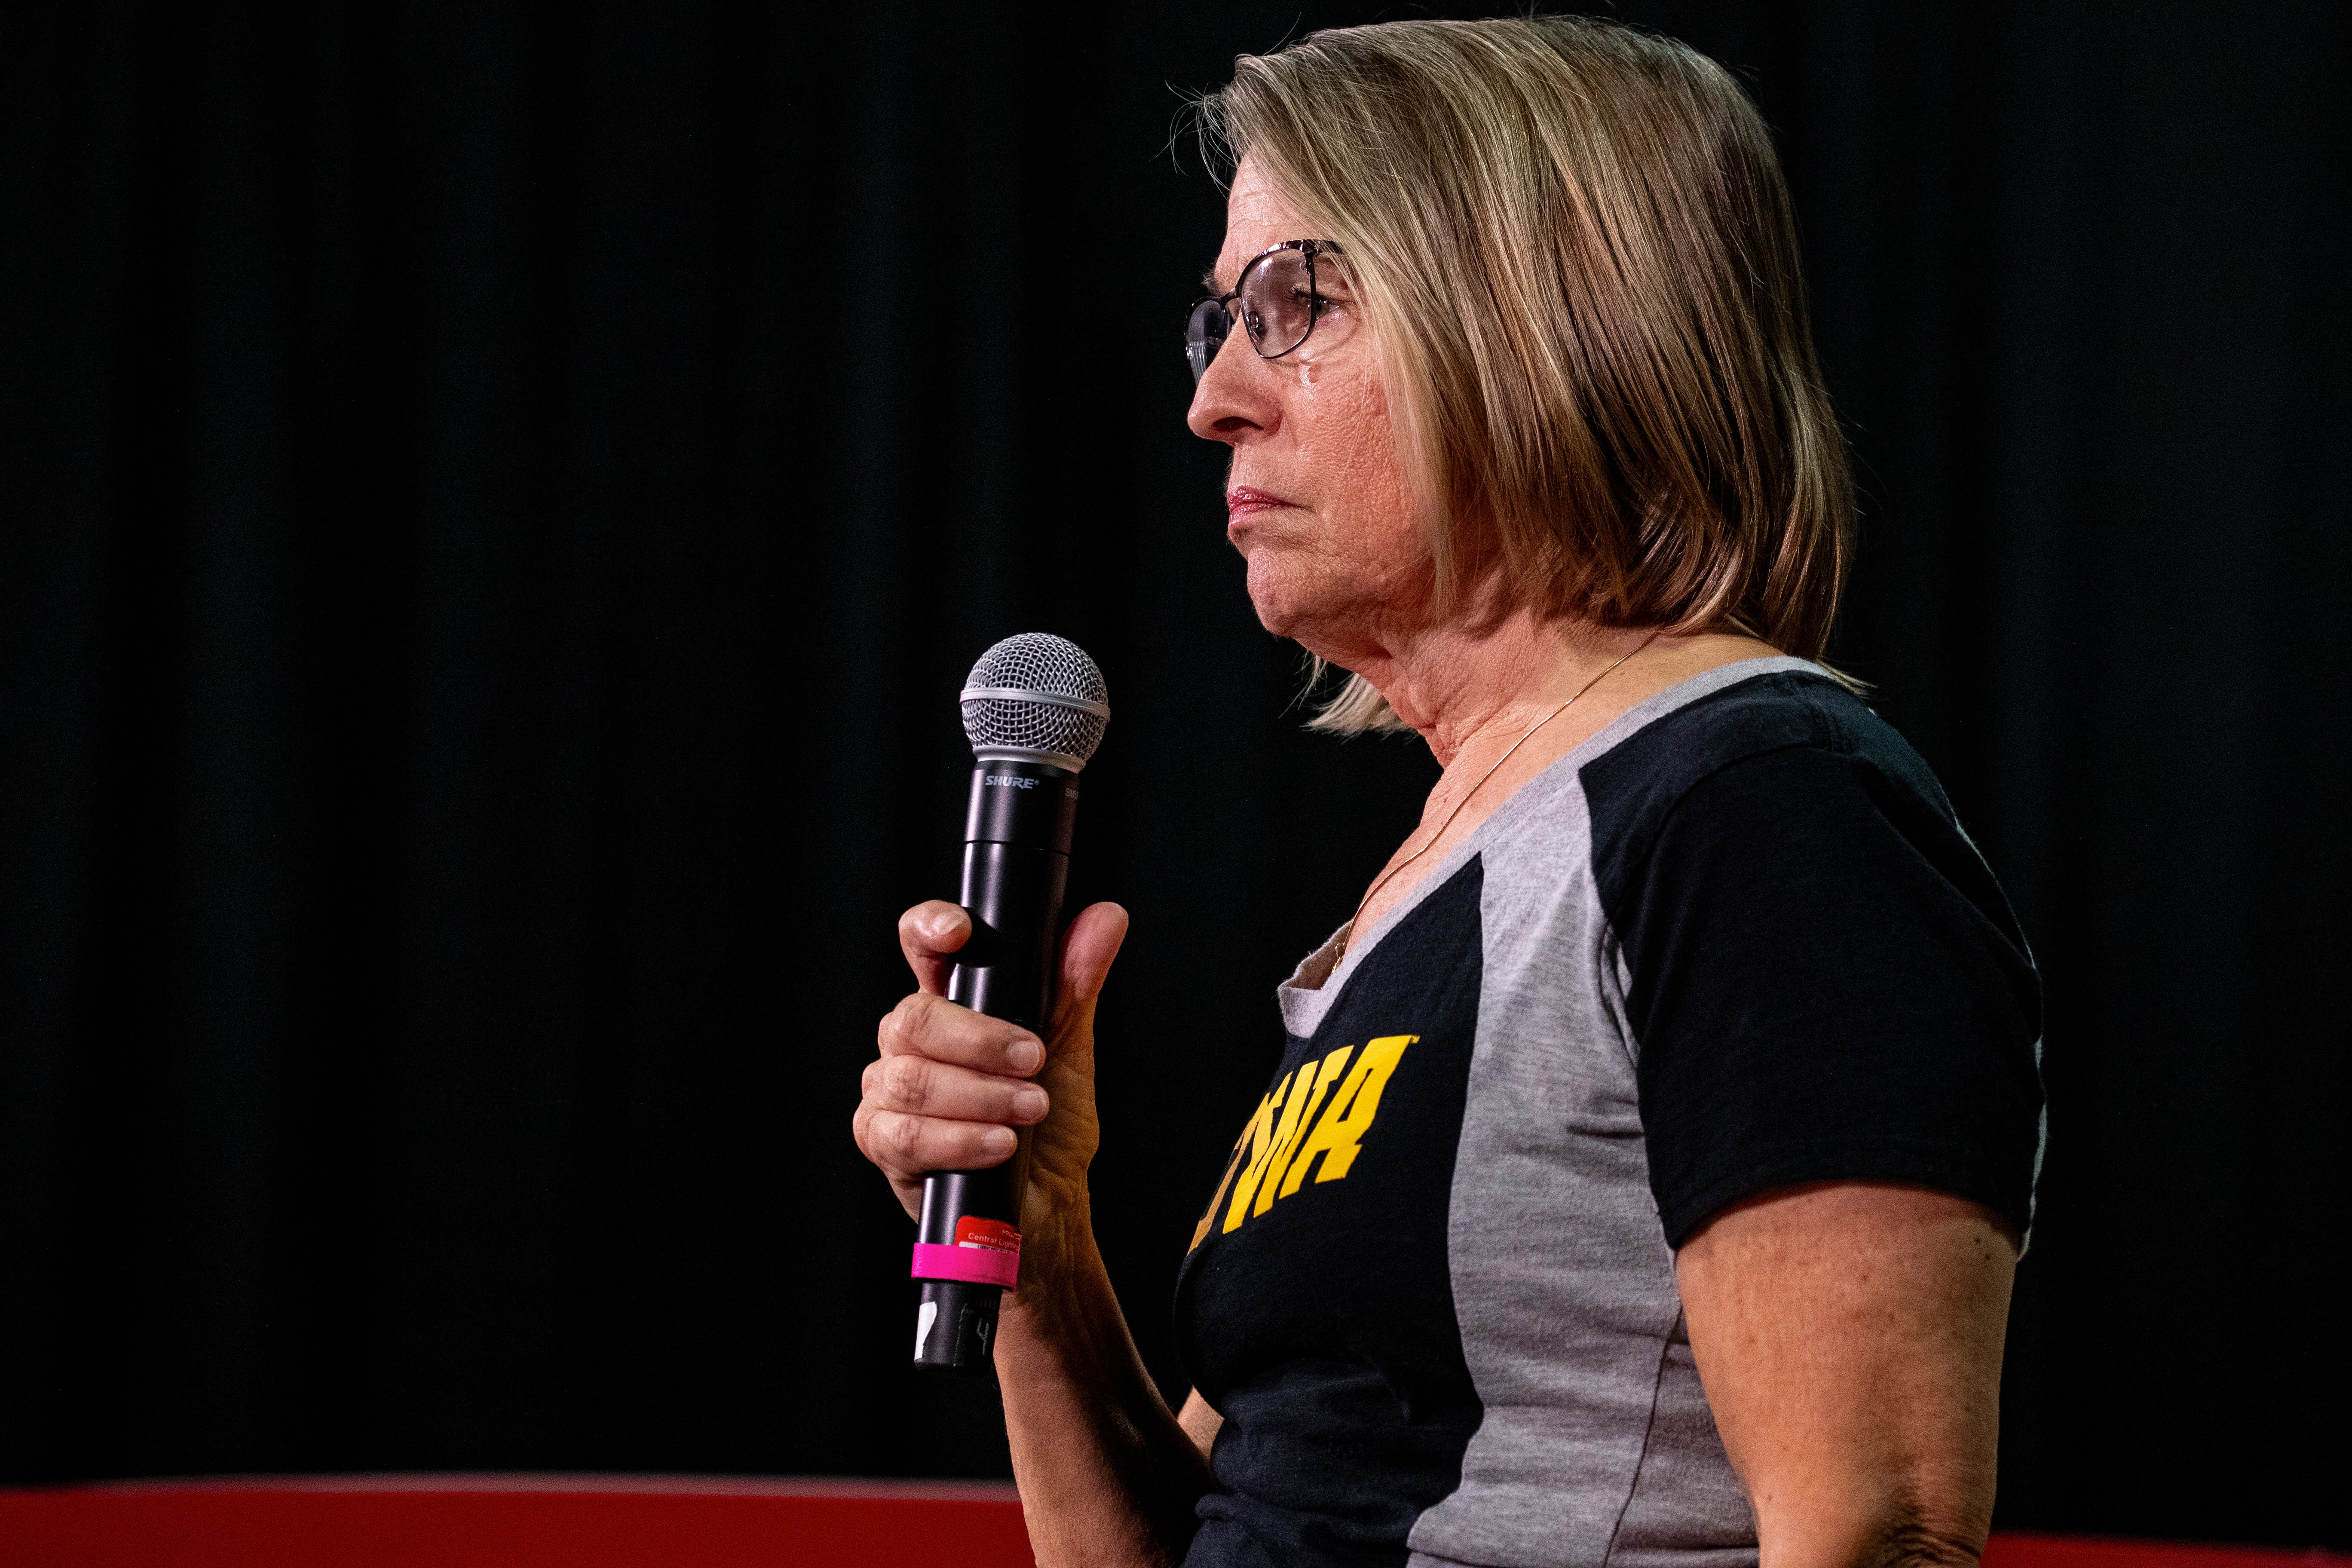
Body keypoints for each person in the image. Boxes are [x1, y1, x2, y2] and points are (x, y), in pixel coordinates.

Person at [852, 16, 2044, 1568]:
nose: (1215, 396)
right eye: (1217, 317)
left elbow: (1878, 1539)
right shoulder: (1440, 876)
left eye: (1297, 302)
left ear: (1545, 316)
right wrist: (1040, 1243)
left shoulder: (1761, 808)